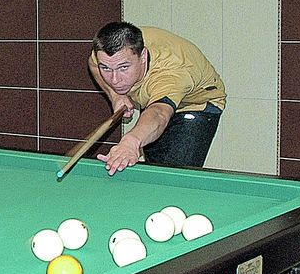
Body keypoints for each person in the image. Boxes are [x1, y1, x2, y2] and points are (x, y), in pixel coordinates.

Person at [88, 21, 225, 175]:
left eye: (123, 67)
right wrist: (116, 96)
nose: (115, 80)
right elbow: (93, 64)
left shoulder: (172, 74)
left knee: (172, 176)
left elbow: (159, 113)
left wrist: (131, 142)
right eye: (106, 68)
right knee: (154, 166)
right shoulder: (107, 53)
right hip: (155, 99)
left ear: (143, 56)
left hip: (196, 104)